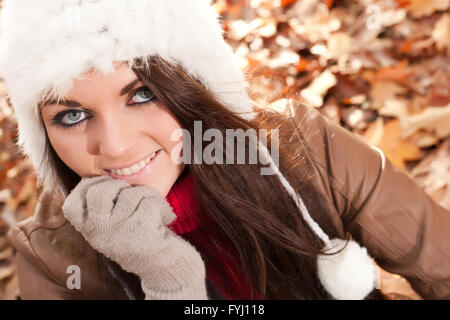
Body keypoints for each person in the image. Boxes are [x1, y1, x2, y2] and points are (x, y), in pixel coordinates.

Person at [0, 0, 449, 300]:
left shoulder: (299, 149)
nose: (115, 147)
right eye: (72, 116)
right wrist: (168, 280)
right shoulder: (51, 254)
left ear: (193, 86)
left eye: (142, 94)